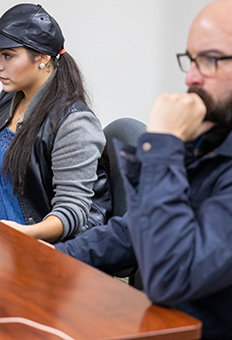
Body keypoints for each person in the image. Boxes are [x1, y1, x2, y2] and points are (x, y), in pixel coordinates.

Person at [52, 0, 232, 337]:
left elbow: (171, 276)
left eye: (210, 60)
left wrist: (164, 145)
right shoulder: (216, 133)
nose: (191, 78)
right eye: (191, 60)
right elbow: (138, 227)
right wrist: (53, 258)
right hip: (166, 324)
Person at [0, 4, 109, 243]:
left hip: (39, 251)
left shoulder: (74, 123)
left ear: (42, 57)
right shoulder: (10, 96)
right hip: (1, 241)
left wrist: (23, 234)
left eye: (8, 55)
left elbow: (72, 212)